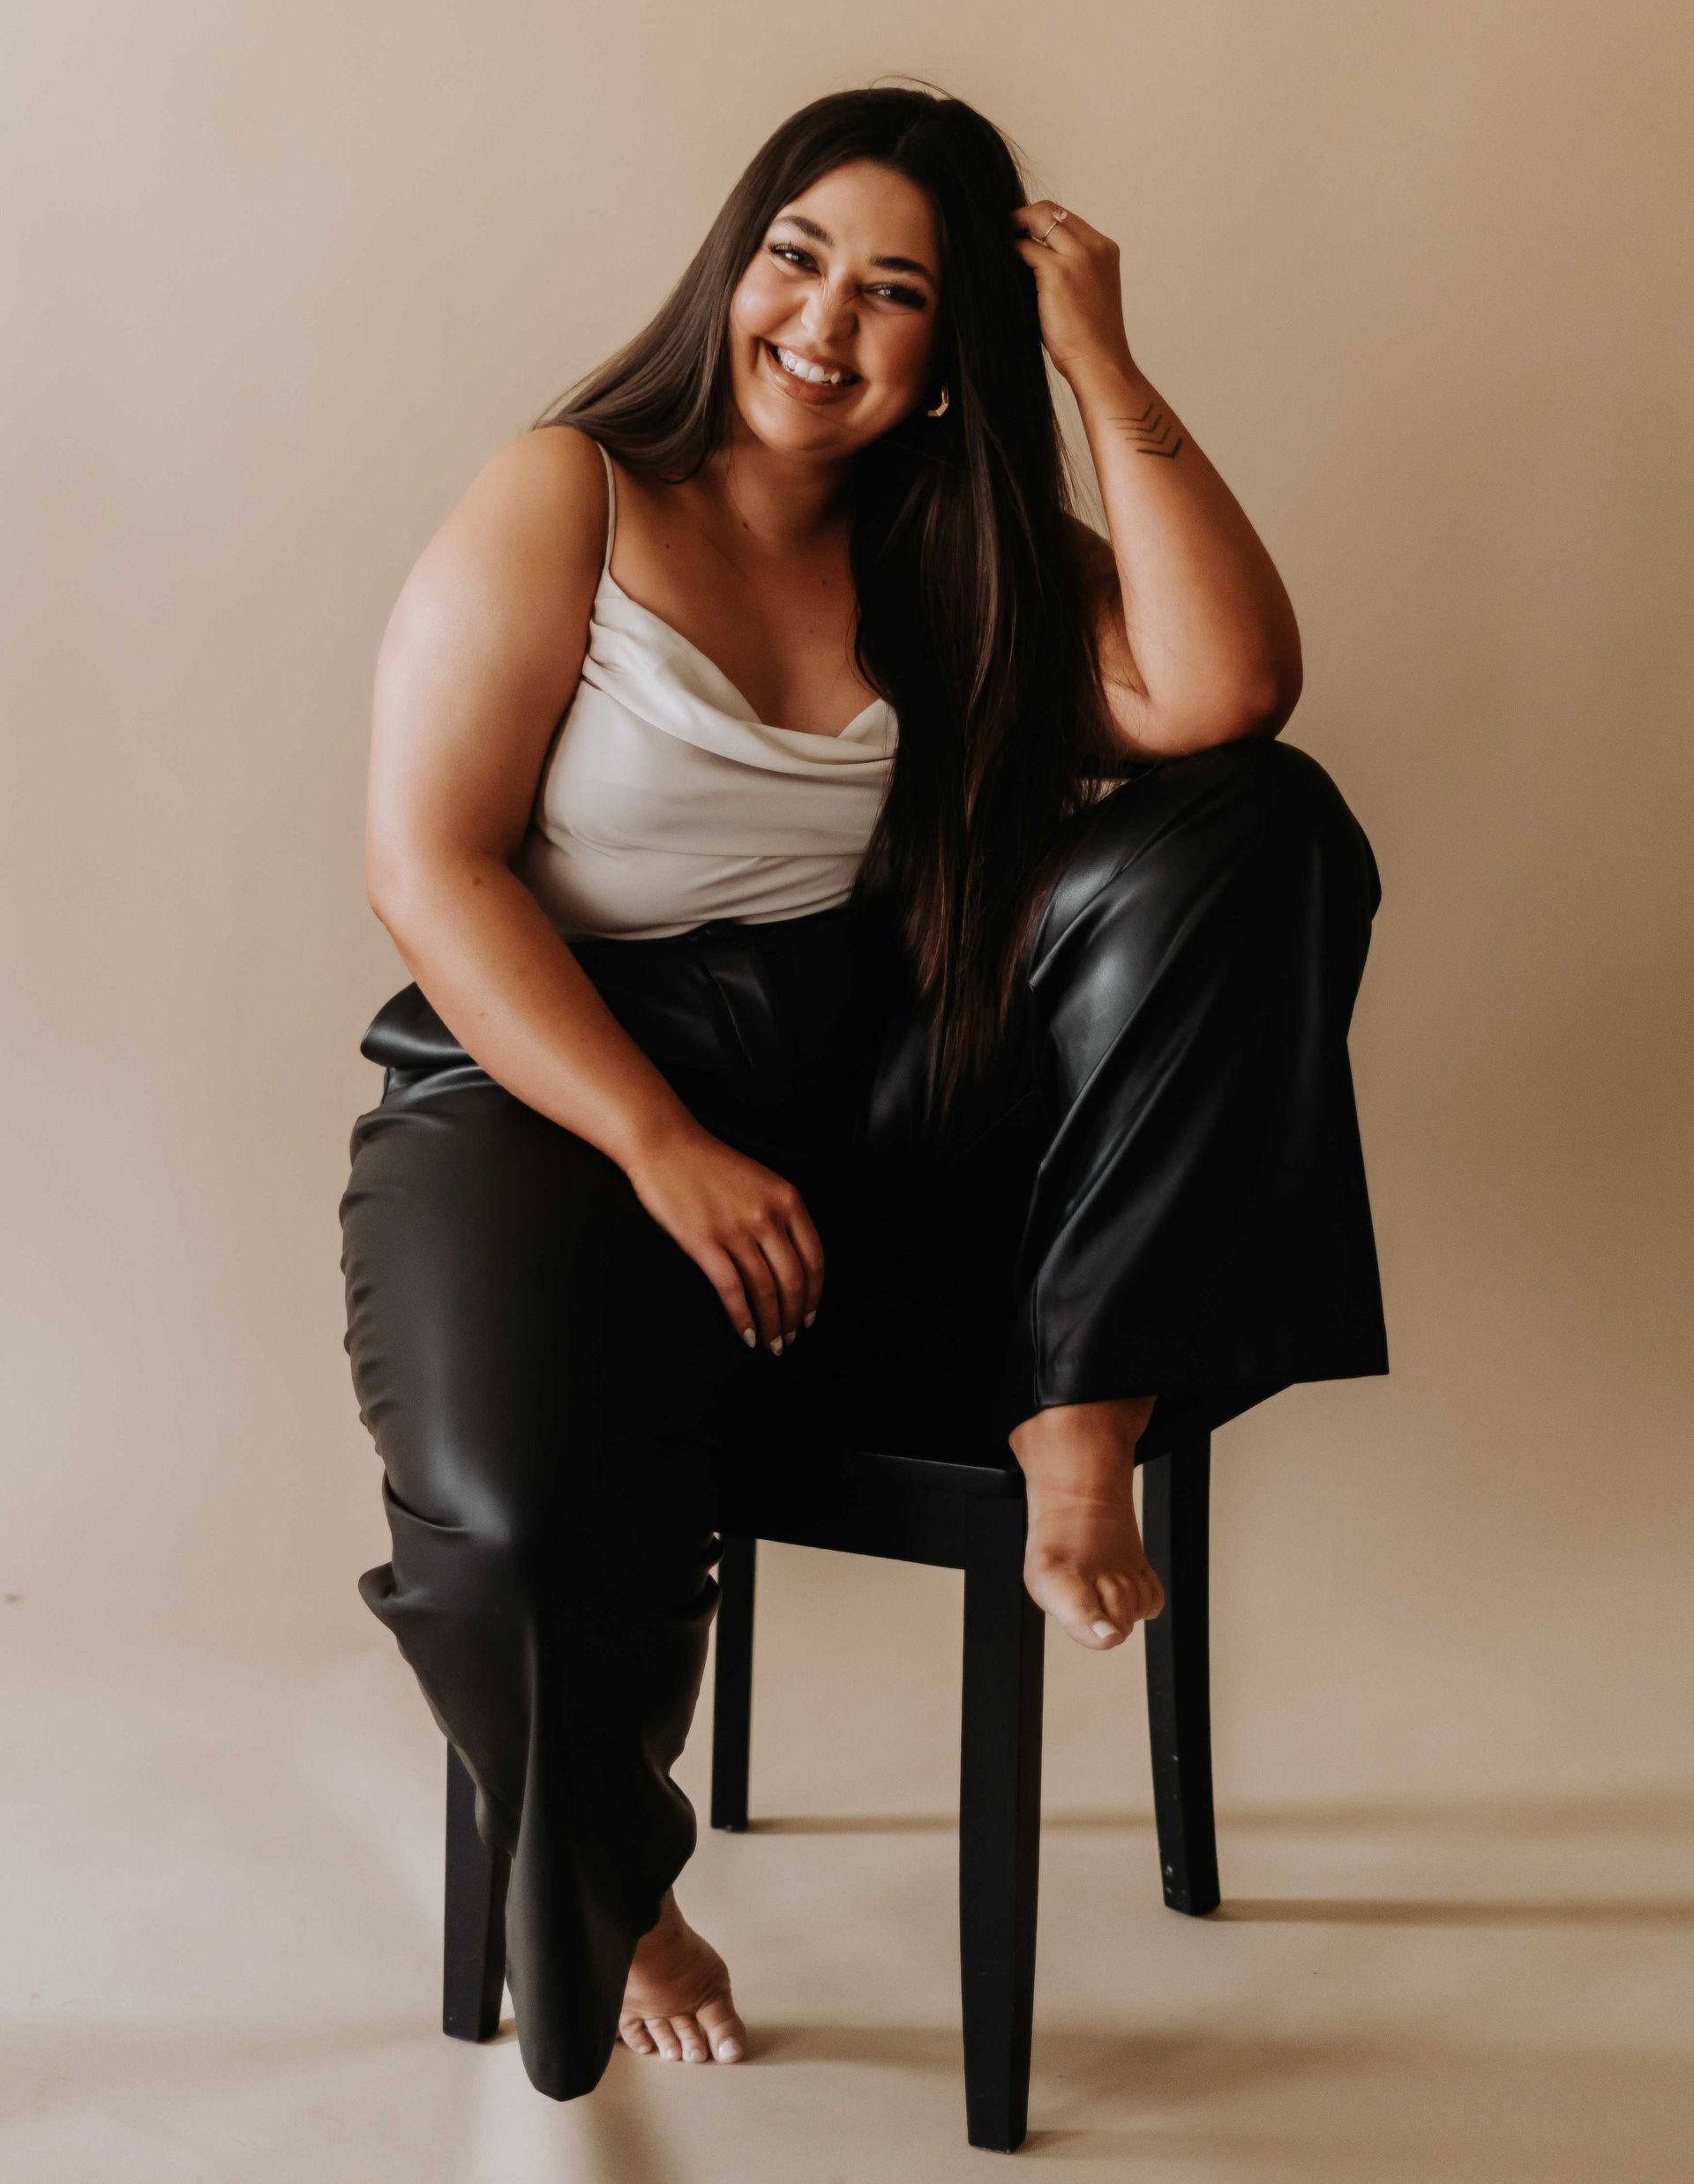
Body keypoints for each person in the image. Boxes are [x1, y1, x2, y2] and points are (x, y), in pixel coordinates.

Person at [337, 85, 1388, 2102]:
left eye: (896, 293)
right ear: (736, 265)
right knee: (505, 1513)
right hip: (552, 1080)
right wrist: (660, 1143)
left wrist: (1098, 358)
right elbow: (429, 863)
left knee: (1263, 821)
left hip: (872, 1094)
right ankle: (625, 1884)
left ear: (951, 357)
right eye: (799, 256)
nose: (823, 320)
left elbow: (1226, 693)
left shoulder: (953, 543)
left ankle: (1085, 1397)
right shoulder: (576, 484)